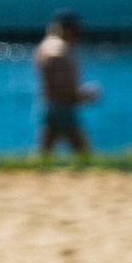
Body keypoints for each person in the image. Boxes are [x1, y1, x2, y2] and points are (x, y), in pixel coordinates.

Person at [34, 11, 100, 157]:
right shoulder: (60, 50)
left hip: (49, 104)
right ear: (68, 28)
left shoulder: (45, 46)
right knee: (82, 152)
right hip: (62, 106)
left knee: (45, 152)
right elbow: (61, 87)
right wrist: (83, 95)